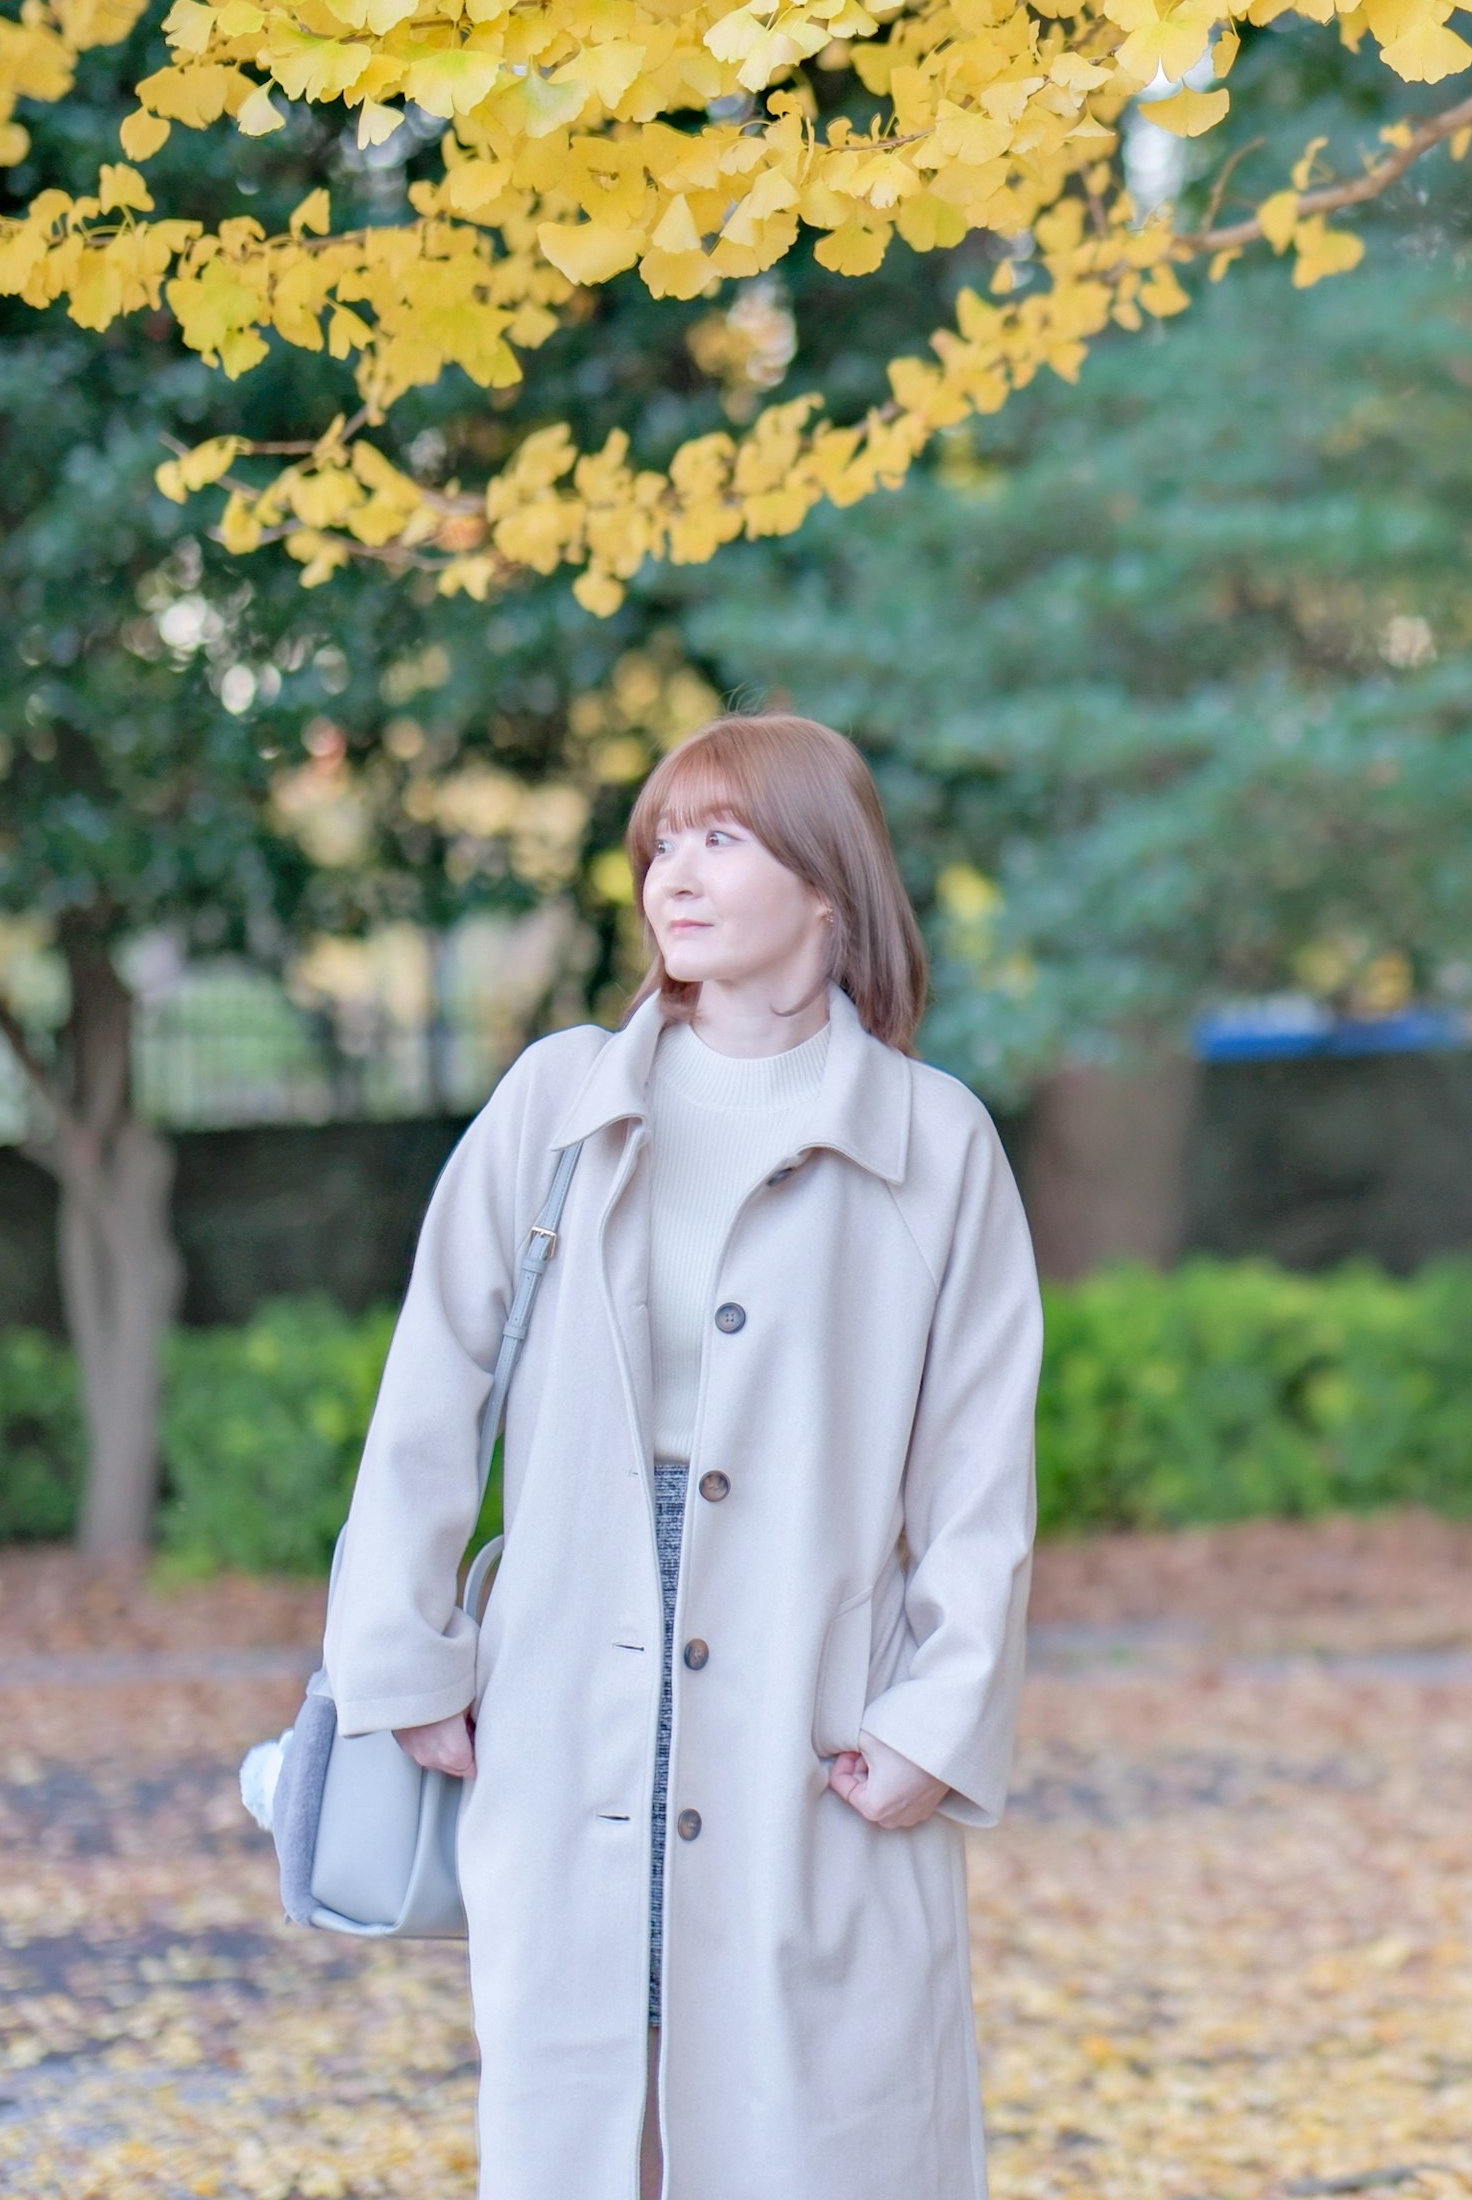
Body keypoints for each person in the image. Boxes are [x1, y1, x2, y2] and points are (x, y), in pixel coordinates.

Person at [323, 713, 1043, 2200]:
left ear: (829, 882)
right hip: (570, 1653)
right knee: (595, 2113)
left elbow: (980, 1461)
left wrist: (939, 1712)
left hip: (809, 1677)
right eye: (662, 843)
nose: (674, 875)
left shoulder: (933, 1138)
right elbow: (432, 1386)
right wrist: (408, 1652)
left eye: (722, 837)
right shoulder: (561, 1100)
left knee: (807, 2114)